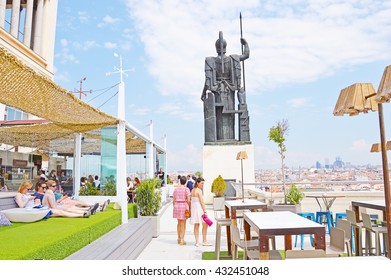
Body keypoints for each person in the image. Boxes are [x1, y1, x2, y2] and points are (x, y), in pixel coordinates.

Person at [201, 31, 251, 143]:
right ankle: (222, 139)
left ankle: (226, 138)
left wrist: (203, 92)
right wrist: (245, 44)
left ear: (216, 48)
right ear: (225, 47)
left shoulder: (212, 61)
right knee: (222, 114)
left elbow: (208, 82)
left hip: (222, 91)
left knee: (226, 114)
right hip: (227, 91)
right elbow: (246, 55)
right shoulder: (232, 59)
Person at [189, 177, 211, 246]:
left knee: (197, 225)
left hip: (194, 209)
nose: (202, 185)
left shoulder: (192, 190)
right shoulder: (199, 191)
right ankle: (204, 240)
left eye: (203, 183)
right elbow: (202, 202)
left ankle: (197, 241)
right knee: (205, 224)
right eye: (201, 183)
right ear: (197, 183)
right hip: (199, 209)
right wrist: (205, 211)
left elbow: (190, 200)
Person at [172, 175, 190, 246]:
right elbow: (188, 200)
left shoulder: (176, 189)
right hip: (184, 206)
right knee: (184, 224)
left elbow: (173, 200)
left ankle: (178, 238)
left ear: (180, 181)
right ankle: (182, 239)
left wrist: (175, 206)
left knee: (179, 223)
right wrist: (189, 206)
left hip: (177, 206)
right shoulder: (187, 189)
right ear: (185, 182)